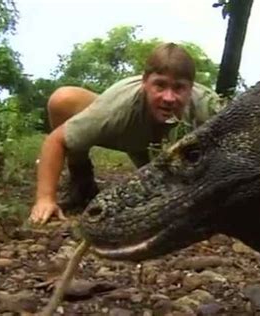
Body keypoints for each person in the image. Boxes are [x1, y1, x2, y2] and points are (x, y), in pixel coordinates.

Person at [29, 42, 222, 225]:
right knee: (62, 100)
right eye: (160, 85)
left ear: (191, 88)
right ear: (144, 82)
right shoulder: (115, 110)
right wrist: (45, 199)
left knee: (166, 190)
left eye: (179, 87)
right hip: (128, 130)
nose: (169, 98)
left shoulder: (209, 108)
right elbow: (56, 140)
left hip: (164, 150)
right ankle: (81, 179)